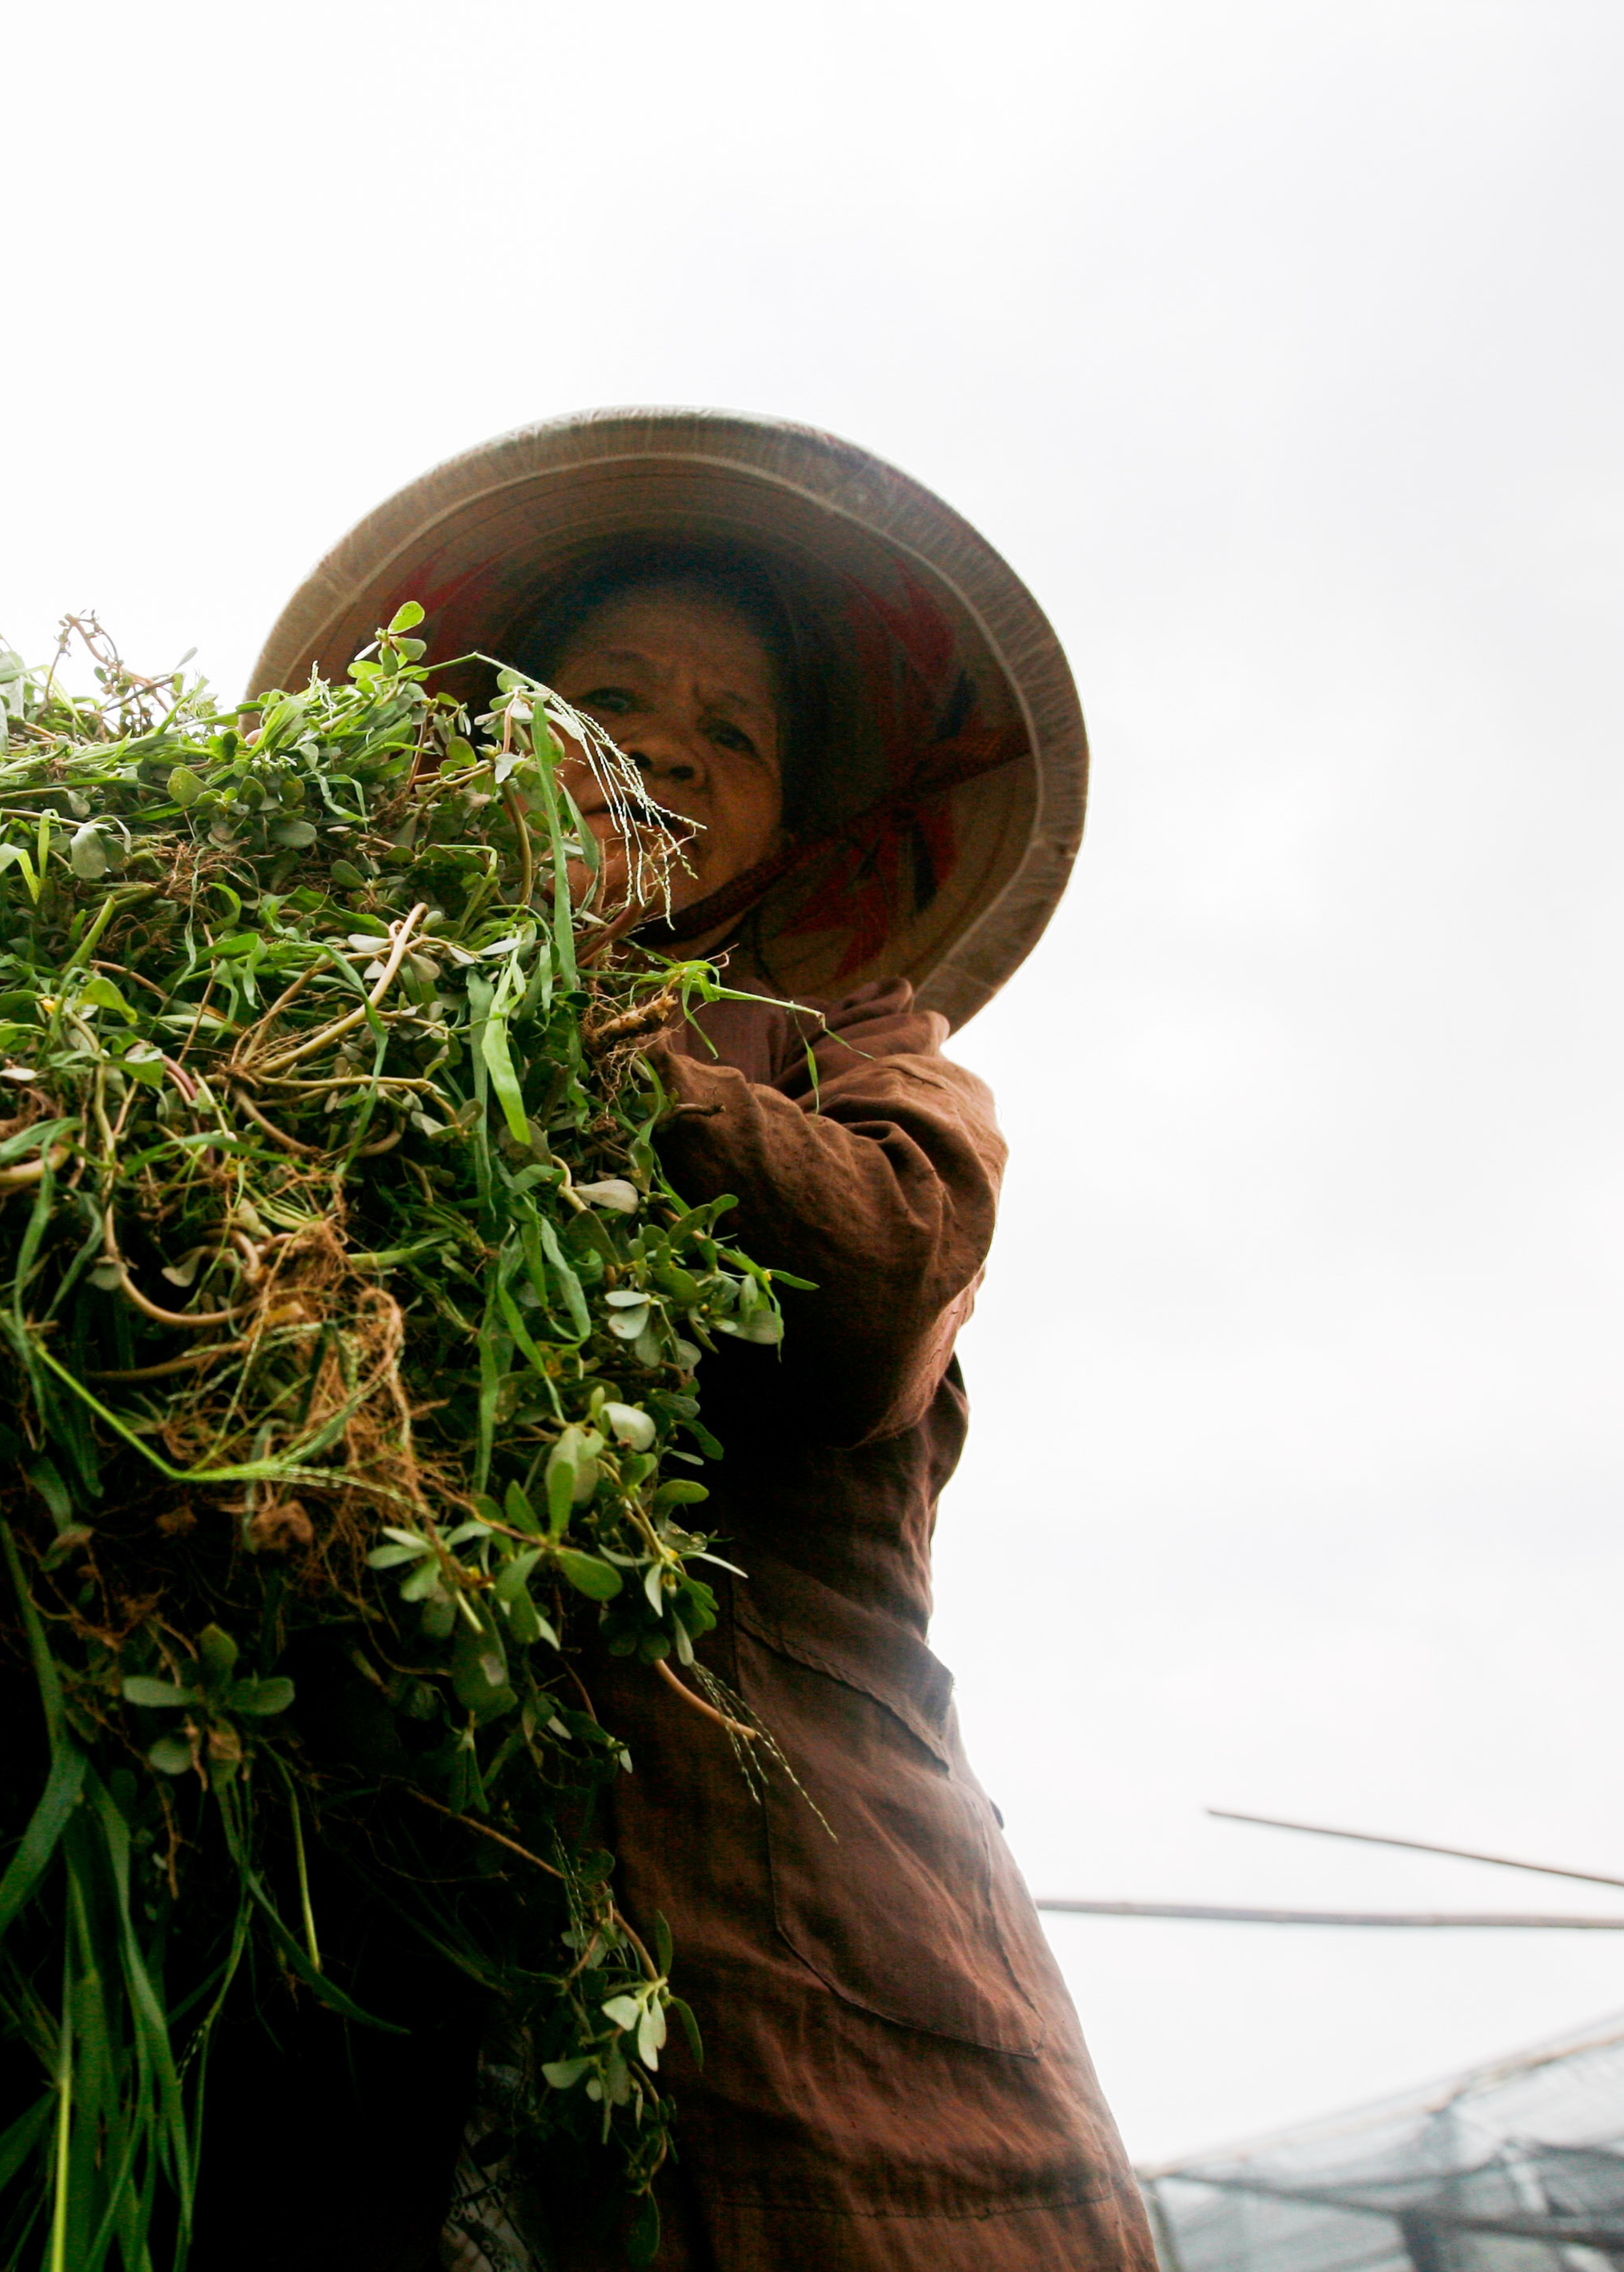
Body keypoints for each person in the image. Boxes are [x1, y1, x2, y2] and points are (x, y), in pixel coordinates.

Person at [241, 410, 1158, 2271]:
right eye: (608, 695)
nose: (663, 743)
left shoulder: (846, 1059)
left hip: (807, 1980)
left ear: (783, 824)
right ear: (495, 734)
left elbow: (874, 1294)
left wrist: (583, 1021)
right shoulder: (303, 1056)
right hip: (370, 1970)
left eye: (730, 731)